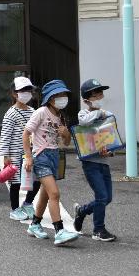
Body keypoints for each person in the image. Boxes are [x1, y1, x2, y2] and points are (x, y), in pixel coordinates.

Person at [23, 80, 80, 246]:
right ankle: (59, 231)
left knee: (46, 194)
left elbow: (67, 142)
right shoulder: (41, 112)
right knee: (54, 194)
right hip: (41, 157)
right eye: (59, 95)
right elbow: (26, 134)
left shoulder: (62, 116)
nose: (63, 98)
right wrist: (28, 157)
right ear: (50, 98)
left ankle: (34, 225)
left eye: (64, 95)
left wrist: (66, 133)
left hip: (55, 156)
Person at [73, 79, 117, 242]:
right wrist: (100, 113)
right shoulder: (83, 114)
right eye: (96, 94)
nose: (100, 96)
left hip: (103, 162)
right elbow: (84, 122)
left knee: (107, 198)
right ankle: (99, 230)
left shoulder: (107, 115)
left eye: (101, 93)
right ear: (86, 99)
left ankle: (82, 211)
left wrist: (110, 152)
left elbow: (111, 138)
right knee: (101, 196)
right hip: (90, 163)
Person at [0, 76, 42, 220]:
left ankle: (28, 203)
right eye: (22, 90)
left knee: (36, 179)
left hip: (30, 152)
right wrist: (5, 156)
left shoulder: (33, 111)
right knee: (15, 182)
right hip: (15, 154)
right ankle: (15, 209)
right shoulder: (10, 113)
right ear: (14, 94)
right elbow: (5, 136)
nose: (26, 93)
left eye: (29, 90)